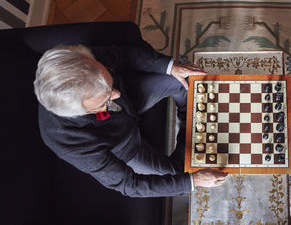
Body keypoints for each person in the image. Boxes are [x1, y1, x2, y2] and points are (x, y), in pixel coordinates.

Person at [33, 29, 228, 197]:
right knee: (181, 176)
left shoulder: (80, 63)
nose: (115, 94)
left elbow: (126, 56)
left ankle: (192, 125)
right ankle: (192, 143)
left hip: (132, 97)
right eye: (105, 98)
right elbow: (128, 185)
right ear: (81, 111)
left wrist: (171, 67)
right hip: (125, 145)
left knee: (183, 83)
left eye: (110, 83)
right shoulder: (68, 142)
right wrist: (194, 180)